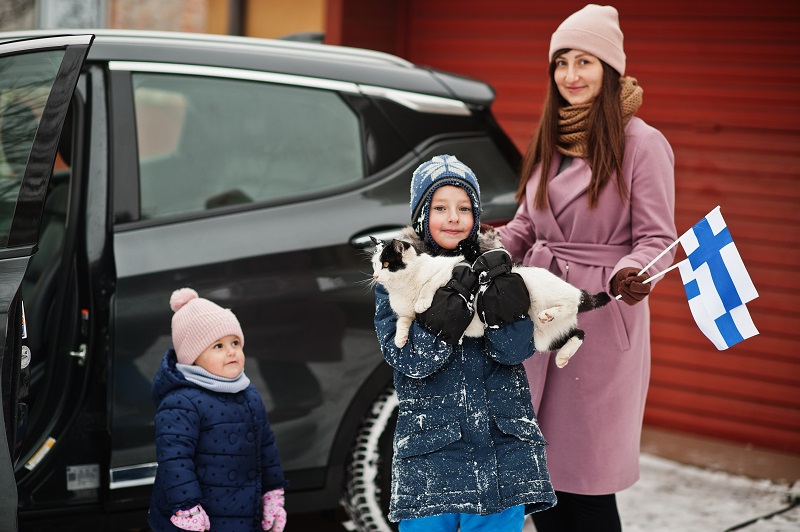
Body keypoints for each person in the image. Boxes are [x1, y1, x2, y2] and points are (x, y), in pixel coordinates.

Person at [498, 4, 677, 531]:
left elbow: (656, 238)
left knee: (586, 483)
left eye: (585, 62)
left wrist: (632, 272)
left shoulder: (643, 144)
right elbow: (527, 227)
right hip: (534, 320)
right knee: (539, 485)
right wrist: (479, 257)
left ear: (610, 68)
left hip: (597, 320)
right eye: (561, 63)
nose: (571, 76)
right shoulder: (551, 138)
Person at [373, 154, 557, 532]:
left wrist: (502, 308)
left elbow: (516, 351)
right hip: (431, 458)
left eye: (464, 208)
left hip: (501, 453)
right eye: (440, 207)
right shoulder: (398, 277)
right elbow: (409, 359)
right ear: (421, 215)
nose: (453, 217)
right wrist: (442, 322)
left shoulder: (498, 270)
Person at [148, 288, 287, 532]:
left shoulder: (248, 394)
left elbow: (266, 447)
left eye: (235, 342)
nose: (232, 351)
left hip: (244, 510)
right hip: (197, 517)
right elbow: (174, 459)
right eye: (218, 346)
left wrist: (272, 492)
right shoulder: (181, 402)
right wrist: (186, 505)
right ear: (192, 356)